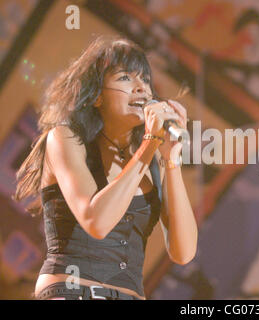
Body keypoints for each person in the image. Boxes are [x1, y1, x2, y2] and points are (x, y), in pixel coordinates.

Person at [14, 35, 198, 300]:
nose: (141, 88)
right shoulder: (66, 139)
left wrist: (171, 160)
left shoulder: (152, 159)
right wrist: (149, 144)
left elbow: (183, 252)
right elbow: (96, 221)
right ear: (97, 96)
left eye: (144, 79)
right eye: (125, 78)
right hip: (72, 289)